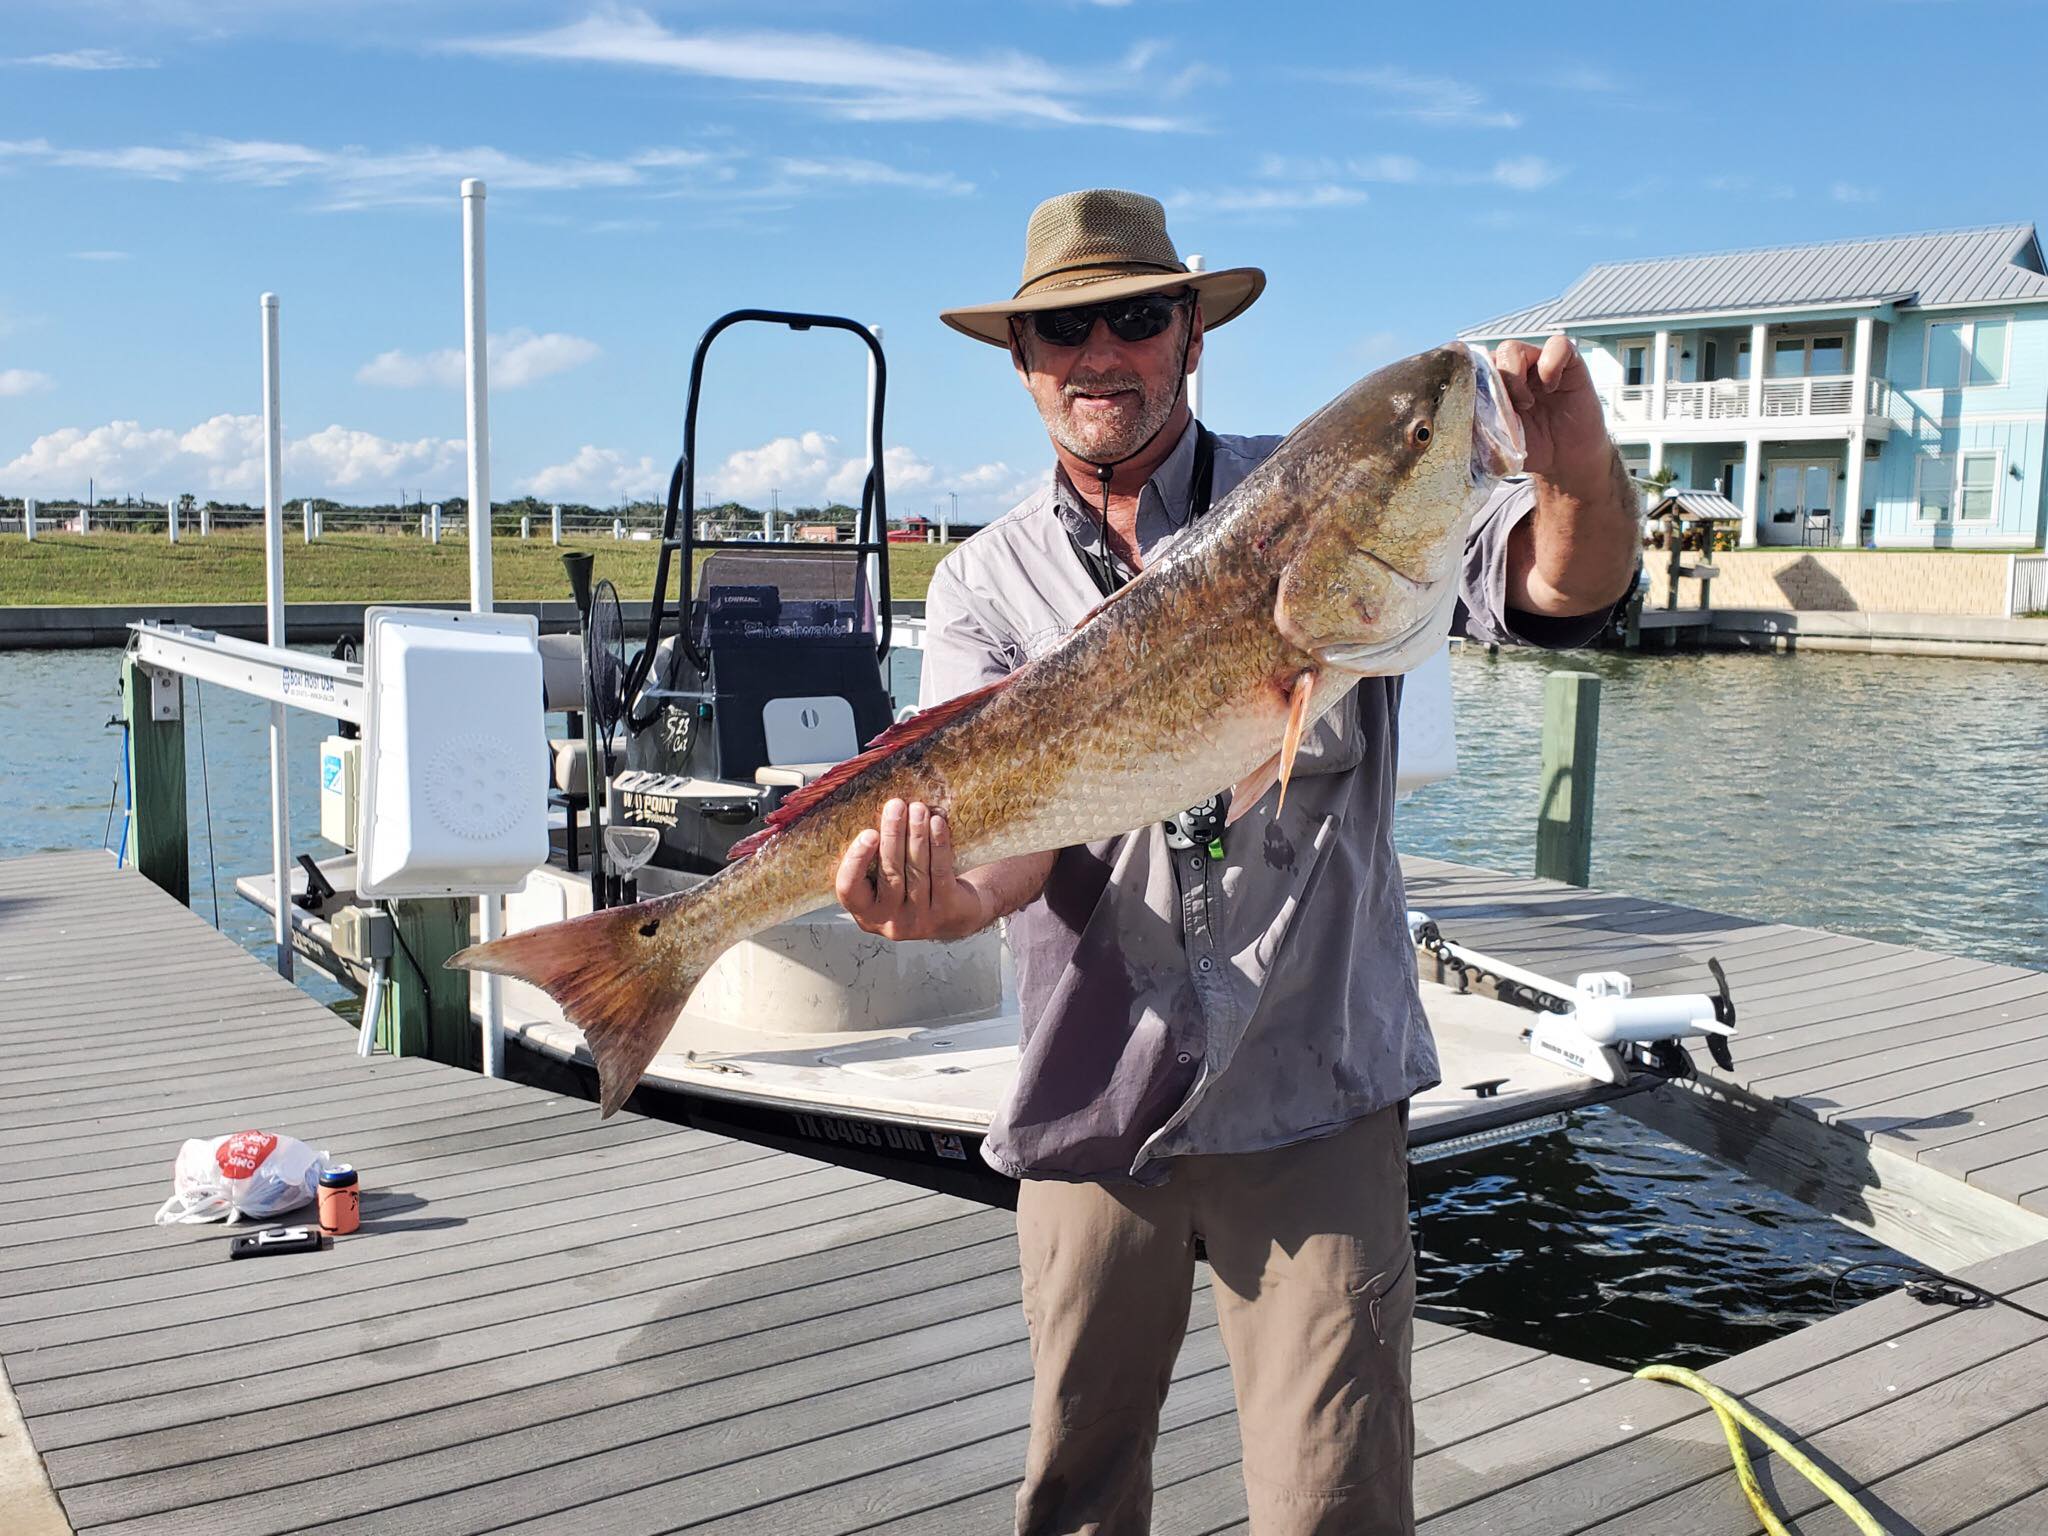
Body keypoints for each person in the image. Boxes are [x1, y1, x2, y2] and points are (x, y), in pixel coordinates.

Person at [831, 189, 1639, 1536]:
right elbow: (1011, 863)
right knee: (1077, 1493)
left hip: (1316, 1090)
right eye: (1061, 329)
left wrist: (1576, 475)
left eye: (1136, 317)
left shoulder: (1331, 496)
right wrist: (938, 899)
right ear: (1023, 362)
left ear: (1190, 333)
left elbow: (1564, 588)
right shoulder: (981, 583)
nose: (1101, 352)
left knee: (1337, 1502)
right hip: (1096, 1101)